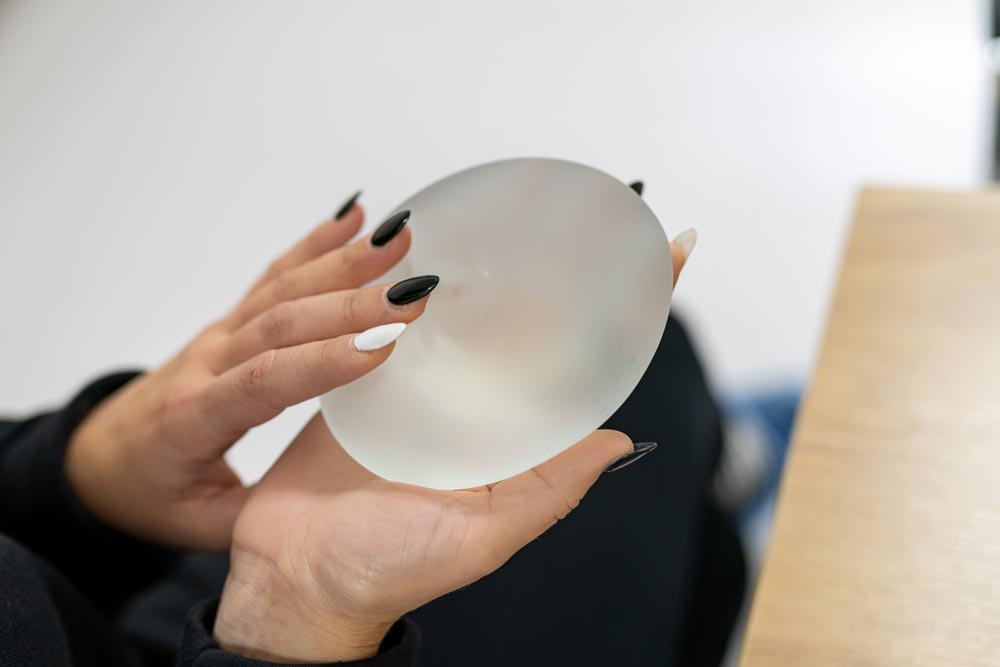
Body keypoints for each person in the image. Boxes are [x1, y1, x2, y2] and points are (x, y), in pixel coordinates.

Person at [0, 192, 741, 666]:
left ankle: (734, 484)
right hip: (250, 645)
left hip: (106, 618)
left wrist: (79, 478)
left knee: (620, 351)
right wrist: (286, 620)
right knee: (624, 399)